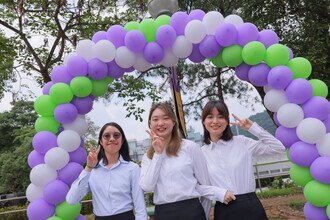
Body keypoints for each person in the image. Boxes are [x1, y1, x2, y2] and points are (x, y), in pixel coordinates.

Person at [139, 102, 235, 220]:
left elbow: (205, 186)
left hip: (191, 210)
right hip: (163, 212)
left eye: (166, 118)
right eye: (155, 119)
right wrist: (158, 154)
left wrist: (202, 215)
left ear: (173, 122)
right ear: (150, 124)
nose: (160, 123)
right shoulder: (148, 157)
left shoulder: (189, 147)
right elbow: (147, 187)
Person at [201, 100, 285, 220]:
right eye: (210, 117)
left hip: (250, 206)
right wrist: (218, 193)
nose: (215, 121)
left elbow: (279, 148)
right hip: (224, 209)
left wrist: (253, 128)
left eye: (220, 117)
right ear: (204, 121)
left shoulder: (242, 142)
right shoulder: (201, 153)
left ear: (226, 121)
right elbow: (197, 185)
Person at [66, 122, 148, 220]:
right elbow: (71, 200)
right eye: (107, 136)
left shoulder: (133, 168)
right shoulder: (92, 170)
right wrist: (88, 168)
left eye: (116, 135)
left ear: (122, 141)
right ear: (100, 141)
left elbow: (140, 208)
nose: (112, 138)